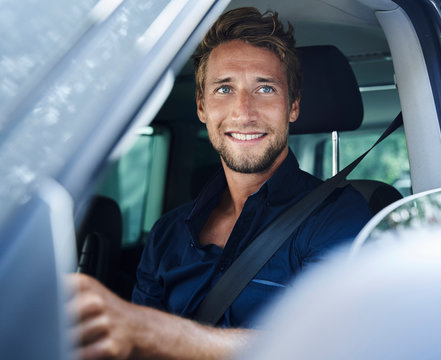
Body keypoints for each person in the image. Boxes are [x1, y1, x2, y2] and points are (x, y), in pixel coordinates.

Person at [68, 7, 372, 360]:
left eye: (265, 88)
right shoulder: (168, 232)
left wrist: (147, 329)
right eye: (225, 88)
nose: (243, 112)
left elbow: (328, 345)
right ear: (201, 107)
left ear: (293, 107)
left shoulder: (336, 216)